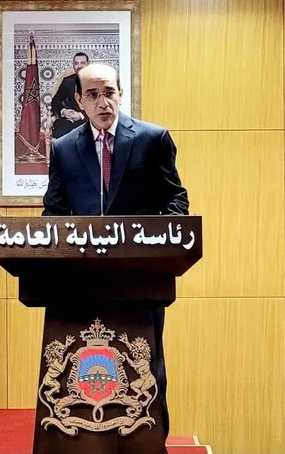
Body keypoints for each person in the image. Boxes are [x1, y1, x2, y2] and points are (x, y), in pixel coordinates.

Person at [42, 63, 189, 438]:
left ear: (120, 94)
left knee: (146, 365)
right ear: (79, 101)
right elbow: (54, 214)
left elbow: (176, 200)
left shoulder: (152, 139)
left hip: (141, 281)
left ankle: (151, 443)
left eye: (108, 92)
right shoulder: (63, 149)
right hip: (81, 282)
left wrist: (162, 251)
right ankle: (84, 443)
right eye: (93, 95)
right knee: (82, 369)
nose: (102, 102)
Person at [49, 52, 89, 139]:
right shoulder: (68, 81)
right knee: (59, 126)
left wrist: (80, 115)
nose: (79, 66)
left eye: (82, 63)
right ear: (73, 65)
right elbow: (55, 101)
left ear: (88, 64)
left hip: (89, 119)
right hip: (70, 119)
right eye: (76, 63)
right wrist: (64, 111)